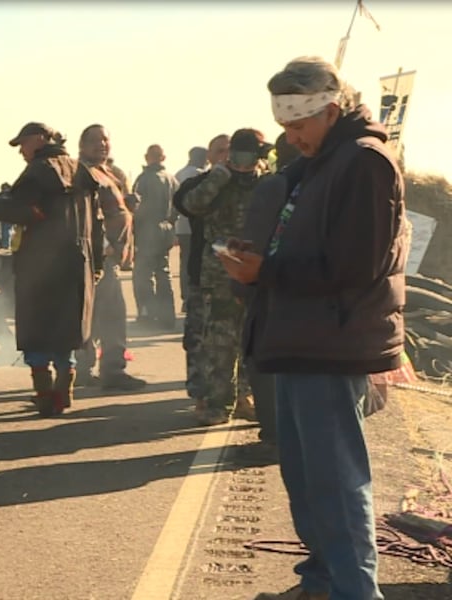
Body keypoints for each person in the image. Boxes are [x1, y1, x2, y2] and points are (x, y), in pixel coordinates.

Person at [221, 57, 406, 600]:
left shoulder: (364, 163)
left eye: (298, 126)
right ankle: (324, 582)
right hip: (300, 338)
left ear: (329, 110)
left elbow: (358, 265)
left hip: (332, 344)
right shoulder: (321, 163)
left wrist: (268, 271)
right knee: (305, 480)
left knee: (335, 484)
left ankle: (354, 591)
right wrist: (255, 264)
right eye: (284, 128)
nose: (291, 138)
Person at [0, 122, 102, 415]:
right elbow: (97, 222)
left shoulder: (38, 170)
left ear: (41, 140)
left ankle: (46, 397)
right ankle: (63, 392)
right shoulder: (82, 170)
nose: (22, 152)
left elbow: (23, 211)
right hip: (78, 262)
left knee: (38, 330)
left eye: (24, 144)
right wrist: (98, 264)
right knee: (67, 330)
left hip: (41, 265)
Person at [178, 129, 270, 426]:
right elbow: (192, 204)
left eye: (251, 156)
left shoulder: (267, 183)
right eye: (239, 156)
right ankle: (218, 404)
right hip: (220, 274)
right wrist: (220, 175)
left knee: (251, 341)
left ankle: (245, 397)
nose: (246, 163)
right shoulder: (218, 181)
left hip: (256, 272)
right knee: (219, 343)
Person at [75, 125, 145, 390]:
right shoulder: (81, 173)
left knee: (108, 313)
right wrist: (105, 245)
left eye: (105, 140)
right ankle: (94, 370)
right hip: (96, 257)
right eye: (94, 141)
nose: (102, 144)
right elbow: (86, 215)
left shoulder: (108, 172)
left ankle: (102, 368)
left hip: (110, 257)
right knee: (99, 314)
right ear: (82, 146)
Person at [177, 134, 230, 403]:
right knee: (198, 338)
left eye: (231, 151)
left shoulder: (252, 185)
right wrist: (217, 177)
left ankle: (239, 395)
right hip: (203, 275)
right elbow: (185, 203)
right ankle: (200, 395)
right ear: (209, 156)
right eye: (220, 151)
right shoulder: (197, 184)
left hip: (239, 279)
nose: (227, 156)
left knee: (236, 342)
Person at [132, 144, 179, 329]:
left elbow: (137, 206)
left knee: (143, 274)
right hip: (166, 228)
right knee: (163, 272)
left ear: (147, 157)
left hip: (148, 229)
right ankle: (167, 316)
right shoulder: (172, 180)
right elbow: (178, 206)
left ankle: (148, 314)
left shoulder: (144, 179)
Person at [173, 146, 208, 294]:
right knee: (196, 260)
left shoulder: (178, 174)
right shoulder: (200, 175)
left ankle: (185, 295)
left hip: (181, 226)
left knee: (184, 261)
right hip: (194, 226)